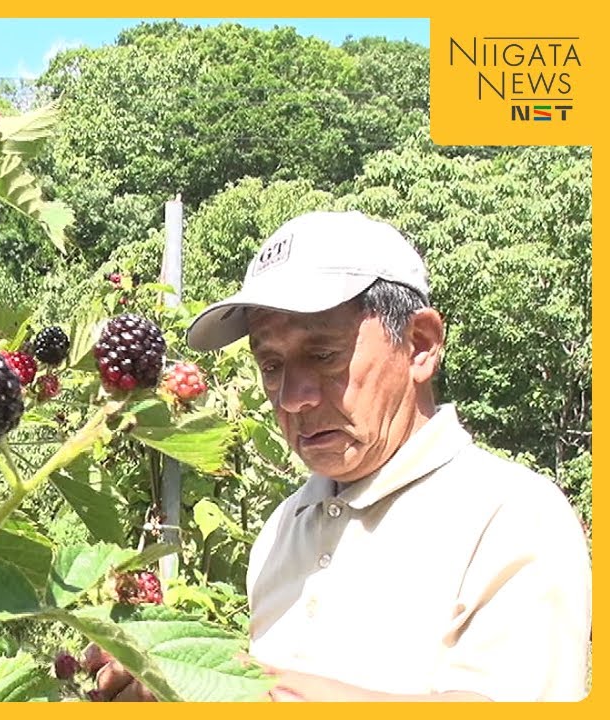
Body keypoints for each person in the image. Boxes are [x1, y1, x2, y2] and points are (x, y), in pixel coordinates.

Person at [85, 210, 592, 702]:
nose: (292, 397)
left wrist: (226, 686)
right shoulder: (285, 527)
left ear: (420, 345)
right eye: (271, 364)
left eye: (324, 355)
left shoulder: (513, 515)